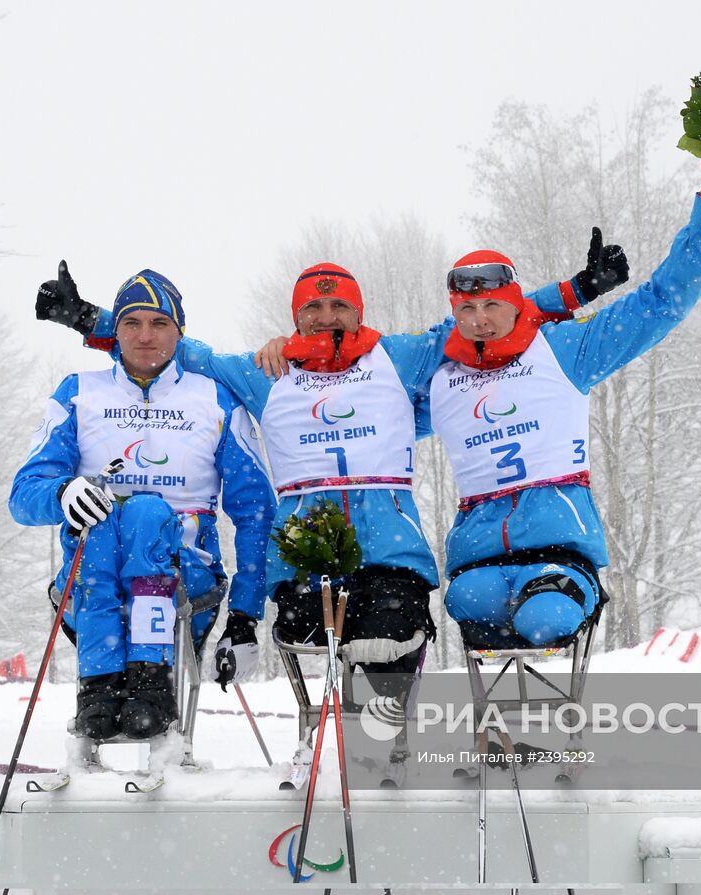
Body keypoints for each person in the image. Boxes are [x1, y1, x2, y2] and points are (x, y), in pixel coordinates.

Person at [38, 250, 629, 697]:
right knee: (308, 632)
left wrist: (573, 291)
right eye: (312, 309)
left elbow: (483, 322)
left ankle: (384, 746)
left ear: (358, 311)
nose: (326, 316)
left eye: (338, 306)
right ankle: (320, 747)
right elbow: (174, 350)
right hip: (304, 550)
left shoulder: (398, 358)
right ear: (296, 316)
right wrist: (91, 319)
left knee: (389, 633)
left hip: (392, 547)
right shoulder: (266, 372)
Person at [428, 150, 701, 649]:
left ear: (515, 305)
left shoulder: (562, 350)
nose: (479, 319)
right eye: (467, 307)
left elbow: (663, 300)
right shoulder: (441, 376)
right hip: (478, 555)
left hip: (559, 547)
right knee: (471, 604)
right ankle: (495, 728)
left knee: (544, 620)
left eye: (491, 305)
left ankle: (570, 602)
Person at [11, 268, 274, 741]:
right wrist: (62, 491)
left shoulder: (214, 399)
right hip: (94, 575)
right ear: (116, 330)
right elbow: (23, 495)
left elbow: (256, 510)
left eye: (160, 323)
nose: (145, 336)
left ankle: (150, 685)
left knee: (149, 513)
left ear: (180, 330)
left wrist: (245, 614)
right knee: (116, 519)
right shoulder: (78, 393)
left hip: (185, 578)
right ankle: (100, 689)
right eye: (132, 323)